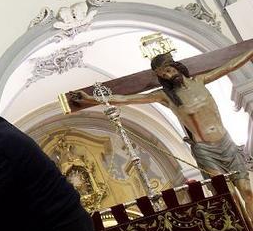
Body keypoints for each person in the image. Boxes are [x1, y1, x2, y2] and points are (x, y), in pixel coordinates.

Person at [71, 49, 253, 218]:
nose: (167, 75)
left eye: (168, 70)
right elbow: (126, 99)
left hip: (226, 143)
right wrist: (91, 99)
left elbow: (229, 65)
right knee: (228, 196)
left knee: (247, 192)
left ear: (176, 66)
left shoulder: (200, 80)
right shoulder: (165, 96)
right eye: (163, 74)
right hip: (206, 151)